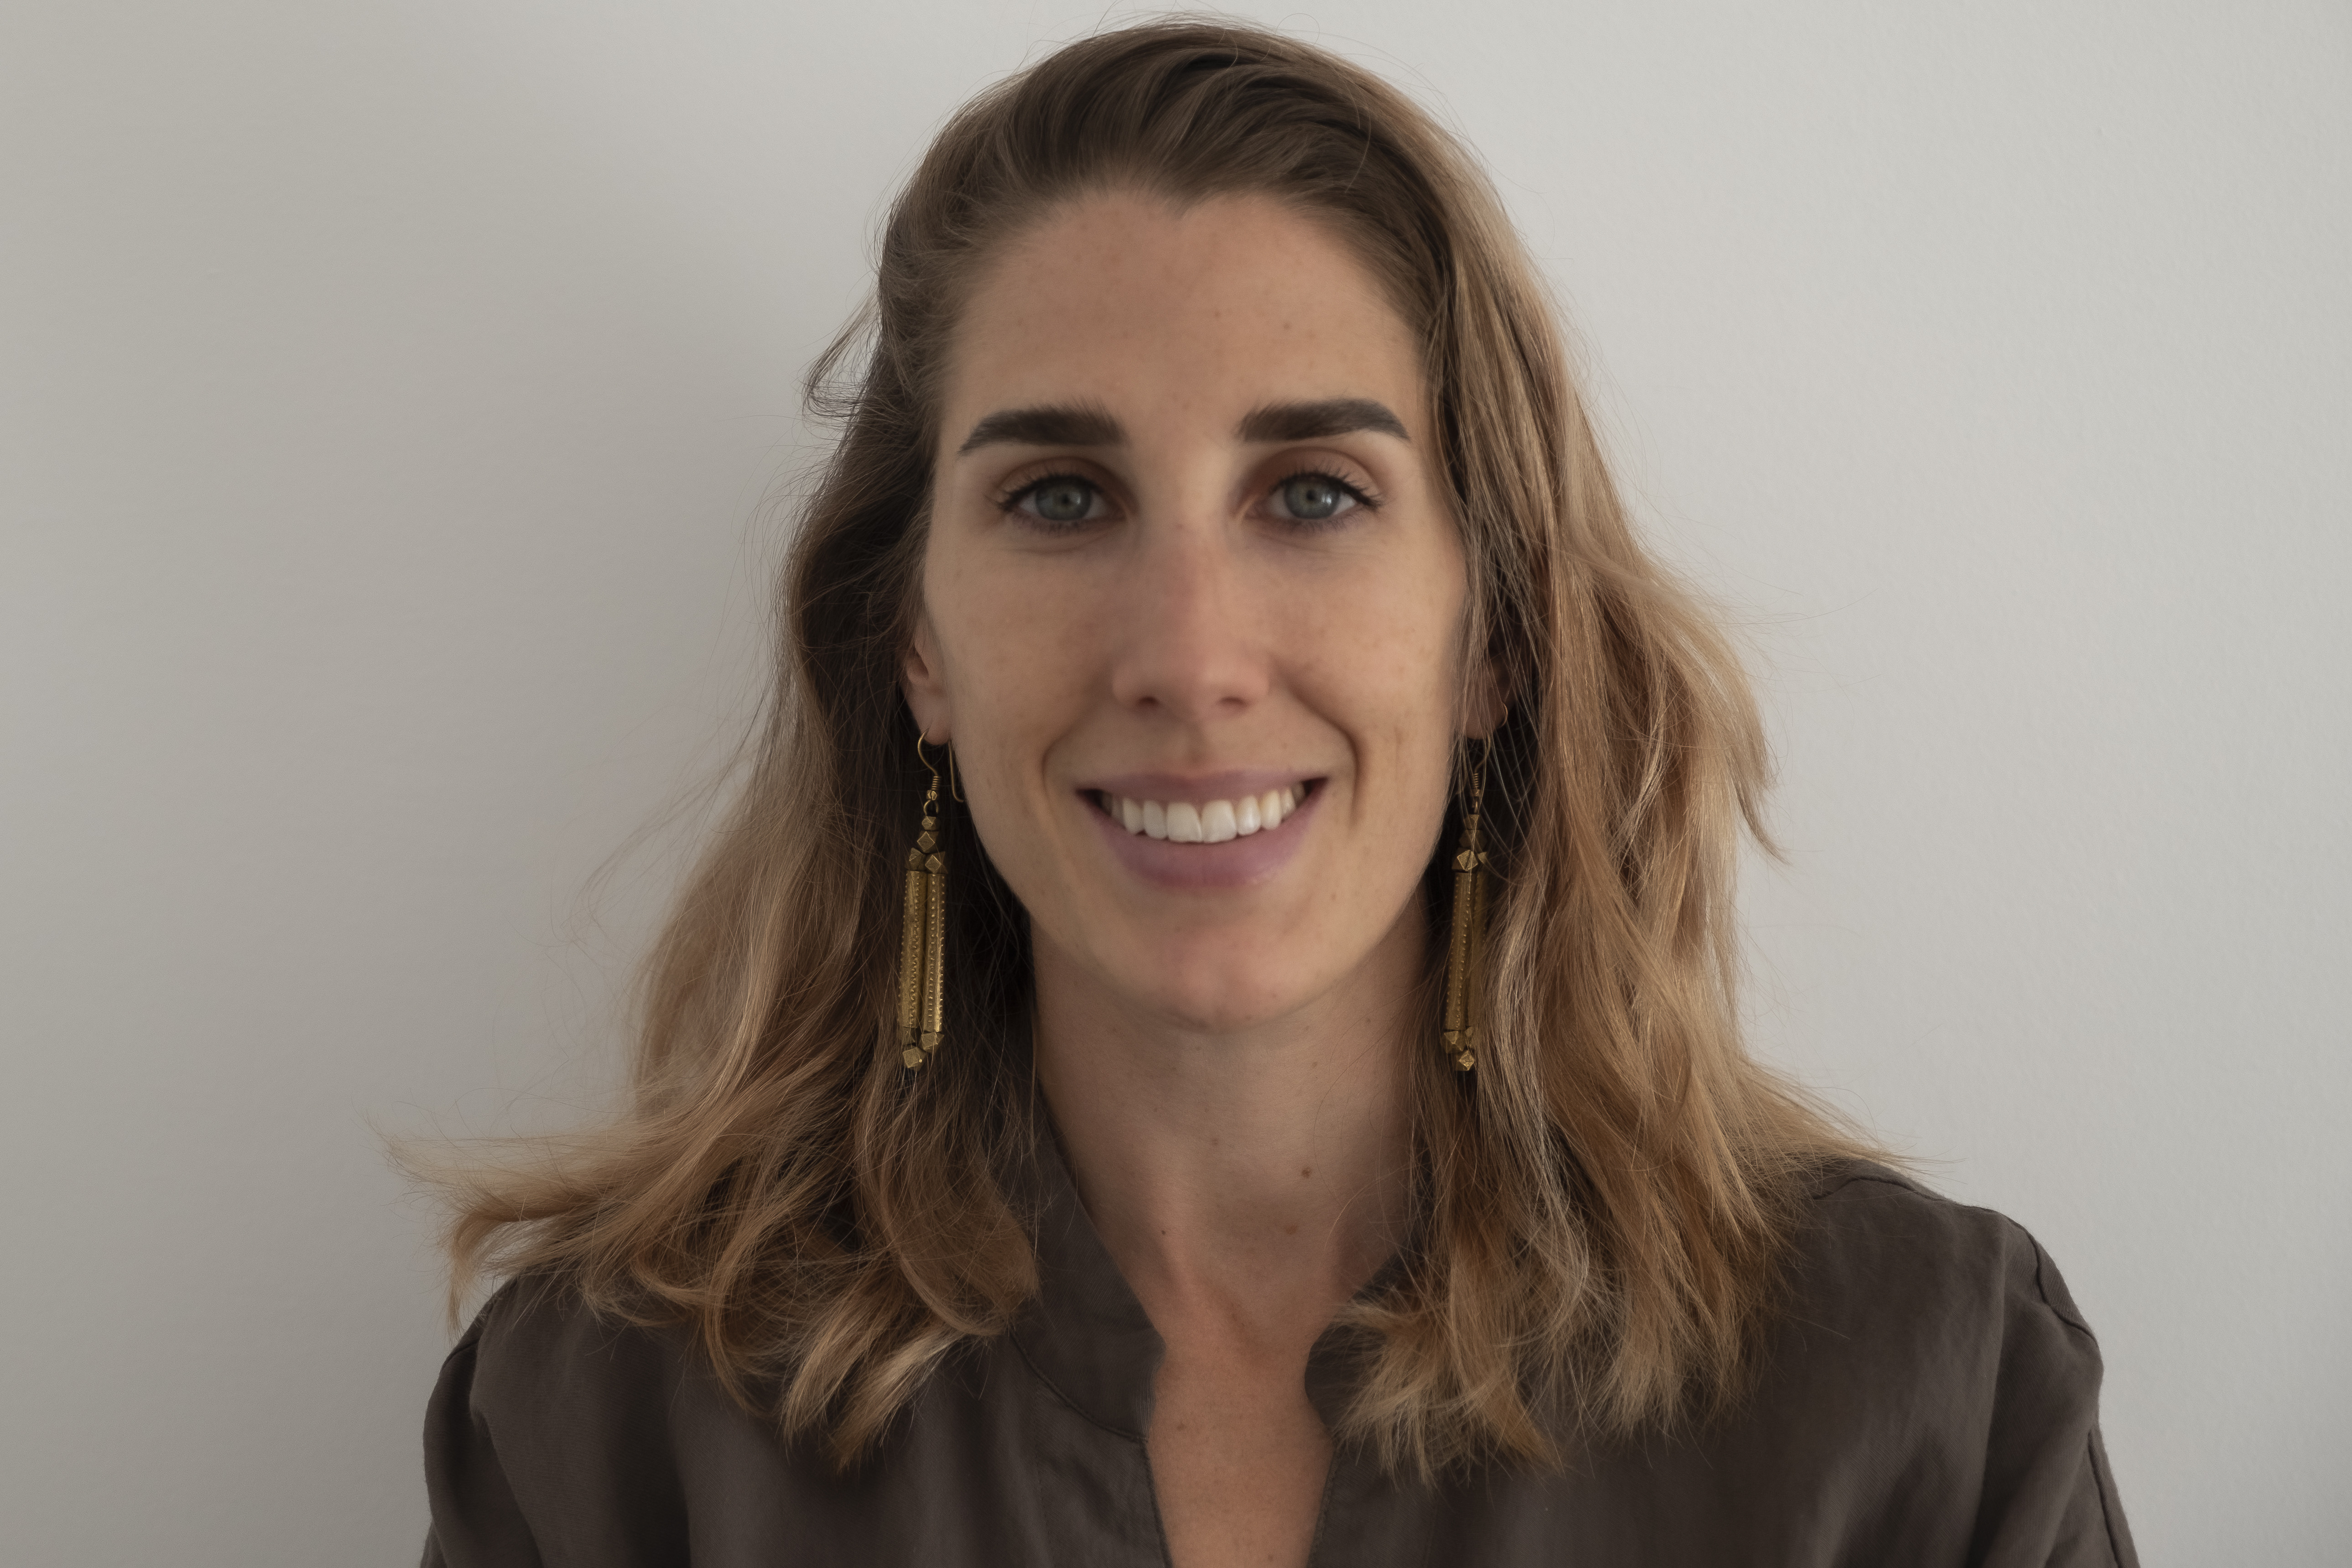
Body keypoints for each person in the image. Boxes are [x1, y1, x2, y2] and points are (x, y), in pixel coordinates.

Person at [417, 21, 2137, 1567]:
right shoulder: (614, 1426)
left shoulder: (1927, 1397)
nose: (1190, 656)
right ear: (914, 648)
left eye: (1312, 493)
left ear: (1494, 641)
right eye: (1062, 500)